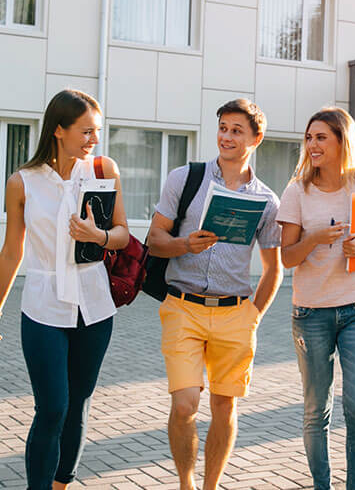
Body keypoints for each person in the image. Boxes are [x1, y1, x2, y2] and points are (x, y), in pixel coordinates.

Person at [0, 89, 130, 490]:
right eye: (86, 131)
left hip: (94, 306)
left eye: (97, 131)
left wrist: (99, 235)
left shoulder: (104, 169)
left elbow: (124, 236)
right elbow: (11, 251)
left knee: (77, 404)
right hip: (42, 306)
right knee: (52, 407)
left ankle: (62, 484)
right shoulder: (21, 182)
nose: (94, 139)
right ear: (59, 130)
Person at [145, 99, 282, 490]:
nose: (226, 136)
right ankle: (187, 484)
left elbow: (274, 268)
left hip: (235, 313)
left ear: (256, 138)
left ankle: (211, 487)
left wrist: (252, 315)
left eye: (236, 130)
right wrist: (186, 245)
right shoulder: (184, 178)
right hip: (183, 307)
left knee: (224, 407)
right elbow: (155, 241)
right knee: (185, 403)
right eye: (223, 128)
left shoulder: (267, 201)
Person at [277, 107, 355, 490]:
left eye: (321, 137)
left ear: (343, 141)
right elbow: (287, 257)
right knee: (316, 411)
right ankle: (322, 486)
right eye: (309, 138)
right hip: (311, 312)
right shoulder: (297, 190)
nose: (312, 145)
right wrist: (314, 238)